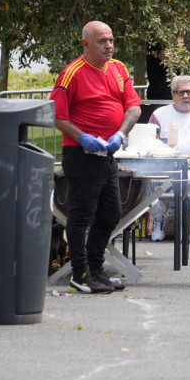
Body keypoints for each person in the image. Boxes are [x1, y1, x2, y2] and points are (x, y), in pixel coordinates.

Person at [50, 21, 141, 294]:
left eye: (111, 40)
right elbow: (57, 116)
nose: (109, 46)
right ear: (85, 44)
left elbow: (134, 108)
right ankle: (80, 274)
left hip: (107, 154)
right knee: (81, 216)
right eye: (102, 41)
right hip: (81, 154)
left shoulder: (119, 68)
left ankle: (96, 269)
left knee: (111, 213)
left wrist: (121, 133)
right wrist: (82, 137)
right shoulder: (71, 73)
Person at [147, 75, 190, 241]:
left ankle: (183, 224)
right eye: (181, 92)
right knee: (142, 181)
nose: (185, 96)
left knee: (187, 178)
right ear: (173, 94)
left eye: (189, 92)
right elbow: (149, 142)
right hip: (161, 166)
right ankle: (158, 218)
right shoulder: (159, 114)